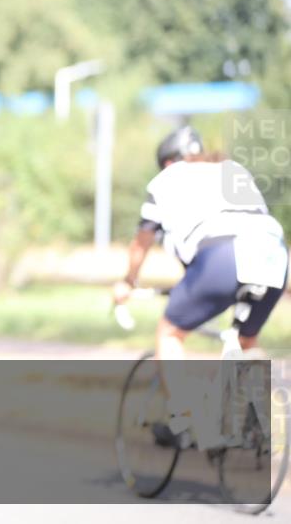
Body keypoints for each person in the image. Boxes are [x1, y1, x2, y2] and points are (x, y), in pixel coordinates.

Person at [113, 125, 288, 441]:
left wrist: (128, 281)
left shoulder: (167, 179)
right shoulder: (232, 168)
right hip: (274, 254)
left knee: (169, 332)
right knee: (246, 339)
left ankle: (184, 421)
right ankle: (264, 418)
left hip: (222, 256)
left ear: (169, 162)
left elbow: (142, 242)